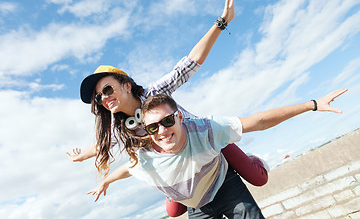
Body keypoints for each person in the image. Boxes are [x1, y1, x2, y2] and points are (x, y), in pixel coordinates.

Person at [67, 0, 268, 217]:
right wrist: (80, 157)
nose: (103, 98)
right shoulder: (120, 127)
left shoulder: (155, 94)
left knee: (257, 177)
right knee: (173, 211)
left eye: (107, 90)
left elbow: (189, 65)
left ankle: (249, 161)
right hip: (180, 171)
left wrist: (221, 23)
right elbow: (101, 145)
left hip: (203, 146)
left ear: (125, 85)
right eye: (98, 98)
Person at [88, 88, 347, 218]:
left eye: (167, 122)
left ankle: (255, 162)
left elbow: (258, 121)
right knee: (172, 210)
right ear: (146, 128)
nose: (162, 132)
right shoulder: (145, 158)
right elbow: (126, 169)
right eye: (153, 127)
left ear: (179, 117)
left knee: (253, 179)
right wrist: (105, 180)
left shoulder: (205, 129)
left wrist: (311, 105)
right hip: (195, 201)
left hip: (222, 183)